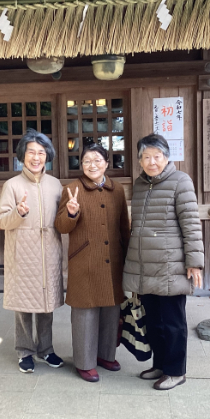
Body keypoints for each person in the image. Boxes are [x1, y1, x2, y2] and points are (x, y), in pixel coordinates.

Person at [123, 133, 204, 390]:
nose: (152, 162)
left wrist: (194, 262)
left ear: (166, 157)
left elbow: (191, 224)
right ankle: (160, 364)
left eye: (156, 157)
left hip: (171, 266)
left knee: (173, 323)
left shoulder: (181, 181)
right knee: (153, 321)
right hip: (145, 265)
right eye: (146, 157)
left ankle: (176, 371)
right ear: (140, 161)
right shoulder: (139, 184)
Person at [55, 144, 130, 382]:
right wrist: (71, 212)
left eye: (97, 160)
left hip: (113, 260)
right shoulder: (71, 189)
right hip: (84, 259)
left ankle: (106, 355)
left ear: (107, 163)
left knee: (111, 310)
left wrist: (129, 257)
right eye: (87, 161)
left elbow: (123, 227)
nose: (92, 165)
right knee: (85, 313)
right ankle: (84, 362)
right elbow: (61, 227)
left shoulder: (117, 190)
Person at [0, 129, 65, 373]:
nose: (36, 157)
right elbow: (2, 221)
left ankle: (46, 349)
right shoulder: (12, 185)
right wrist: (19, 212)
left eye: (41, 152)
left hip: (49, 252)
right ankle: (25, 351)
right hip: (22, 253)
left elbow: (64, 219)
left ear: (47, 156)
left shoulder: (56, 184)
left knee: (46, 304)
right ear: (22, 156)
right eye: (31, 152)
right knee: (24, 305)